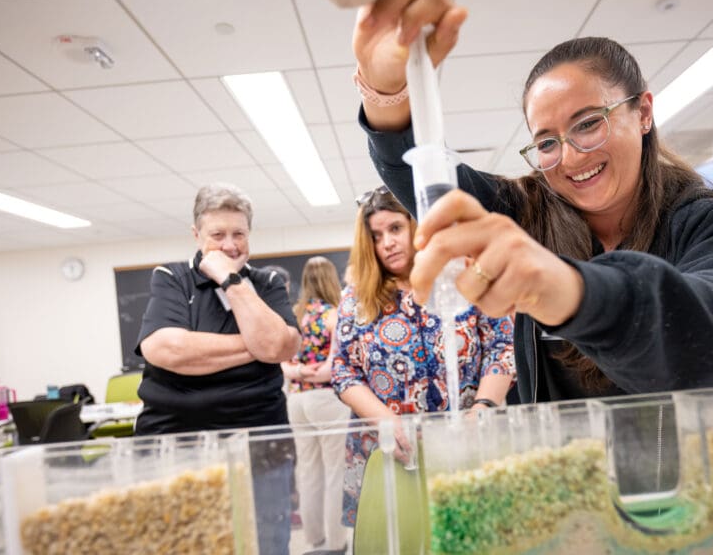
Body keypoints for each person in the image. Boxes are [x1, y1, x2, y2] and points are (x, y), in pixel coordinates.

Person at [349, 0, 713, 402]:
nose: (571, 156)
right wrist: (387, 87)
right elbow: (418, 173)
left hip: (675, 474)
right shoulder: (523, 213)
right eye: (546, 142)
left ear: (642, 113)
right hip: (557, 470)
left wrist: (567, 289)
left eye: (587, 124)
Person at [331, 186, 516, 526]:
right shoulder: (356, 298)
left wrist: (484, 408)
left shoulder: (464, 277)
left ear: (415, 225)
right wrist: (386, 421)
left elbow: (502, 346)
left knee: (471, 536)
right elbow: (344, 372)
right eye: (376, 235)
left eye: (395, 229)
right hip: (390, 450)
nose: (387, 242)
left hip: (466, 443)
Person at [134, 182, 301, 554]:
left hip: (261, 449)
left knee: (266, 544)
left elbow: (278, 346)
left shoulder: (267, 282)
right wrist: (256, 345)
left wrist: (232, 280)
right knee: (188, 545)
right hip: (177, 447)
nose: (230, 245)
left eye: (239, 233)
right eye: (218, 235)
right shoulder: (172, 278)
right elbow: (166, 349)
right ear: (197, 235)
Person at [279, 257, 350, 554]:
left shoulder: (294, 314)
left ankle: (314, 540)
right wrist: (317, 372)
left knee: (307, 470)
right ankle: (336, 542)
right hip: (326, 398)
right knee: (335, 471)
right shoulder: (335, 315)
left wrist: (299, 372)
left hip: (296, 399)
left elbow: (284, 363)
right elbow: (335, 366)